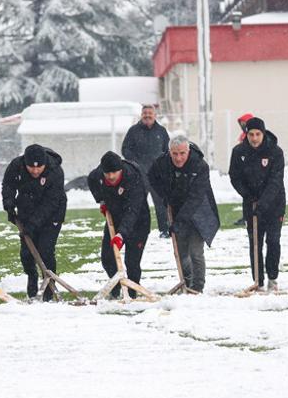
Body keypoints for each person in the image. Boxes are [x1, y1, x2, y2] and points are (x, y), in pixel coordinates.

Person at [148, 135, 220, 293]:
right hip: (176, 209)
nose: (178, 158)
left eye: (182, 153)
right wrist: (165, 195)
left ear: (188, 151)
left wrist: (179, 222)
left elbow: (195, 198)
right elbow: (152, 177)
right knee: (180, 253)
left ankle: (198, 287)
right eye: (175, 154)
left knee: (195, 251)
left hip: (198, 211)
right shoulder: (162, 163)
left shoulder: (200, 165)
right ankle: (186, 283)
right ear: (169, 152)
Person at [2, 144, 67, 301]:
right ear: (25, 163)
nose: (35, 171)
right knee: (26, 254)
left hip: (53, 213)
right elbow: (8, 185)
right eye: (31, 167)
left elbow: (51, 202)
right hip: (26, 209)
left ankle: (49, 288)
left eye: (39, 168)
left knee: (45, 250)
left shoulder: (55, 171)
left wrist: (33, 224)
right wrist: (9, 204)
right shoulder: (16, 166)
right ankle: (32, 278)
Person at [228, 117, 286, 291]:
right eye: (251, 134)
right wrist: (248, 195)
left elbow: (276, 181)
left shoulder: (275, 152)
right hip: (251, 204)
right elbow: (235, 176)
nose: (254, 138)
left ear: (263, 133)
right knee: (255, 242)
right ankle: (258, 281)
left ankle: (273, 278)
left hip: (274, 204)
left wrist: (263, 202)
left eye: (257, 134)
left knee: (273, 241)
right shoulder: (239, 151)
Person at [88, 151, 151, 299]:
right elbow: (91, 181)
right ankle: (116, 288)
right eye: (107, 173)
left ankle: (132, 293)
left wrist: (122, 234)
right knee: (107, 258)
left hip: (138, 221)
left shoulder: (133, 178)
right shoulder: (97, 176)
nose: (110, 176)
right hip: (114, 219)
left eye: (114, 173)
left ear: (121, 169)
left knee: (132, 261)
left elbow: (133, 211)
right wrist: (101, 201)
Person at [121, 104, 170, 238]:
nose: (147, 115)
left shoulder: (161, 131)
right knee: (138, 204)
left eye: (150, 113)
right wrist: (136, 163)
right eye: (145, 113)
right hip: (139, 175)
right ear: (141, 115)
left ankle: (165, 230)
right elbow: (125, 149)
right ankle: (137, 230)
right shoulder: (133, 131)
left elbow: (167, 152)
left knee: (161, 204)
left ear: (155, 115)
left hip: (156, 175)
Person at [232, 112, 255, 227]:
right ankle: (246, 217)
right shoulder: (243, 136)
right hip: (244, 170)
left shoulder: (253, 136)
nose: (242, 125)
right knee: (246, 197)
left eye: (244, 123)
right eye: (241, 124)